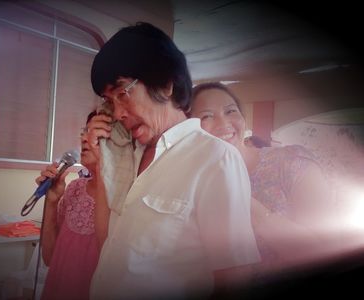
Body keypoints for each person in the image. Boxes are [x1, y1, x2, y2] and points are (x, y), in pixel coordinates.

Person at [85, 22, 260, 300]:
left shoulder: (216, 159)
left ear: (165, 85)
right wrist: (101, 166)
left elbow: (235, 276)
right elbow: (108, 246)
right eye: (109, 101)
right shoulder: (126, 156)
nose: (117, 113)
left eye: (122, 94)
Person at [187, 82, 335, 277]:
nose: (223, 123)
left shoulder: (291, 162)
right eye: (207, 116)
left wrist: (245, 202)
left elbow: (323, 252)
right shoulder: (192, 180)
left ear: (243, 117)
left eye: (231, 111)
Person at [37, 111, 109, 300]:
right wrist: (51, 202)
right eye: (85, 131)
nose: (85, 139)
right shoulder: (75, 188)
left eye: (96, 133)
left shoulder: (127, 197)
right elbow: (49, 258)